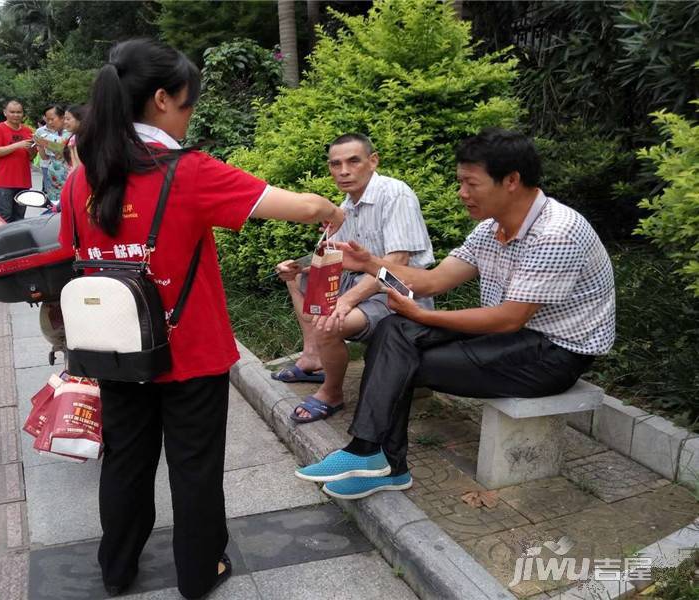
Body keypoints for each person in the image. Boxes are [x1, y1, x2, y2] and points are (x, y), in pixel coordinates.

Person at [59, 38, 343, 599]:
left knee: (125, 464)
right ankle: (198, 574)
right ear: (162, 100)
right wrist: (334, 211)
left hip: (114, 349)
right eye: (188, 106)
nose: (189, 119)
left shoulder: (80, 179)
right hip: (190, 352)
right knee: (193, 468)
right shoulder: (188, 171)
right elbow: (304, 207)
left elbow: (73, 257)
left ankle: (117, 572)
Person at [295, 128, 616, 500]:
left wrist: (426, 317)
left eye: (470, 183)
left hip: (554, 353)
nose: (461, 193)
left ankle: (378, 459)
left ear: (511, 180)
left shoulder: (556, 233)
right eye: (460, 182)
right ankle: (373, 457)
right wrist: (370, 264)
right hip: (508, 335)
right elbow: (432, 281)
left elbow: (509, 318)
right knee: (394, 331)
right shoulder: (489, 230)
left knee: (401, 360)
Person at [272, 133, 434, 424]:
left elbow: (398, 264)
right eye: (336, 164)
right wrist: (298, 268)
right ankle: (313, 358)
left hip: (400, 287)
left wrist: (344, 302)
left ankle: (331, 393)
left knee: (331, 319)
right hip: (363, 281)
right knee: (301, 281)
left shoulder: (394, 194)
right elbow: (335, 259)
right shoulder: (346, 206)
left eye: (353, 161)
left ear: (373, 161)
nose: (343, 171)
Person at [0, 100, 35, 222]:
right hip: (4, 181)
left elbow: (31, 157)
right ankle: (3, 241)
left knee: (19, 218)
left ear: (23, 114)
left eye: (19, 112)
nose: (16, 115)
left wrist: (33, 149)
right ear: (5, 113)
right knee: (4, 217)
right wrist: (18, 145)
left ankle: (17, 241)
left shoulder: (28, 131)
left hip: (23, 181)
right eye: (12, 112)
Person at [33, 104, 70, 206]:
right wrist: (40, 145)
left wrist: (43, 139)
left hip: (66, 182)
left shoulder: (69, 132)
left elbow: (61, 144)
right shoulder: (57, 133)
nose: (49, 122)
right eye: (47, 120)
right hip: (55, 183)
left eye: (52, 119)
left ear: (62, 117)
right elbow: (45, 157)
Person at [63, 104, 84, 171]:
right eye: (65, 119)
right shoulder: (78, 137)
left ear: (80, 119)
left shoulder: (75, 139)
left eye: (68, 119)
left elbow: (77, 166)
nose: (65, 122)